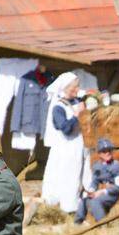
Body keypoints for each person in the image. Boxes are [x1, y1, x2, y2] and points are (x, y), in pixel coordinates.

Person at [41, 72, 88, 214]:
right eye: (74, 87)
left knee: (75, 176)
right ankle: (63, 207)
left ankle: (72, 205)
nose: (77, 89)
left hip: (76, 147)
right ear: (65, 88)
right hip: (65, 149)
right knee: (65, 176)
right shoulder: (58, 107)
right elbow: (66, 129)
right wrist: (77, 115)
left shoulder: (75, 102)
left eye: (77, 86)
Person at [75, 137, 119, 224]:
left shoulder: (116, 166)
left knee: (95, 201)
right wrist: (91, 191)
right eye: (104, 151)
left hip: (111, 194)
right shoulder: (97, 166)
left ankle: (103, 224)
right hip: (101, 192)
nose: (108, 153)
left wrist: (103, 191)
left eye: (109, 150)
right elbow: (95, 181)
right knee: (85, 199)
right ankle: (78, 222)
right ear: (99, 154)